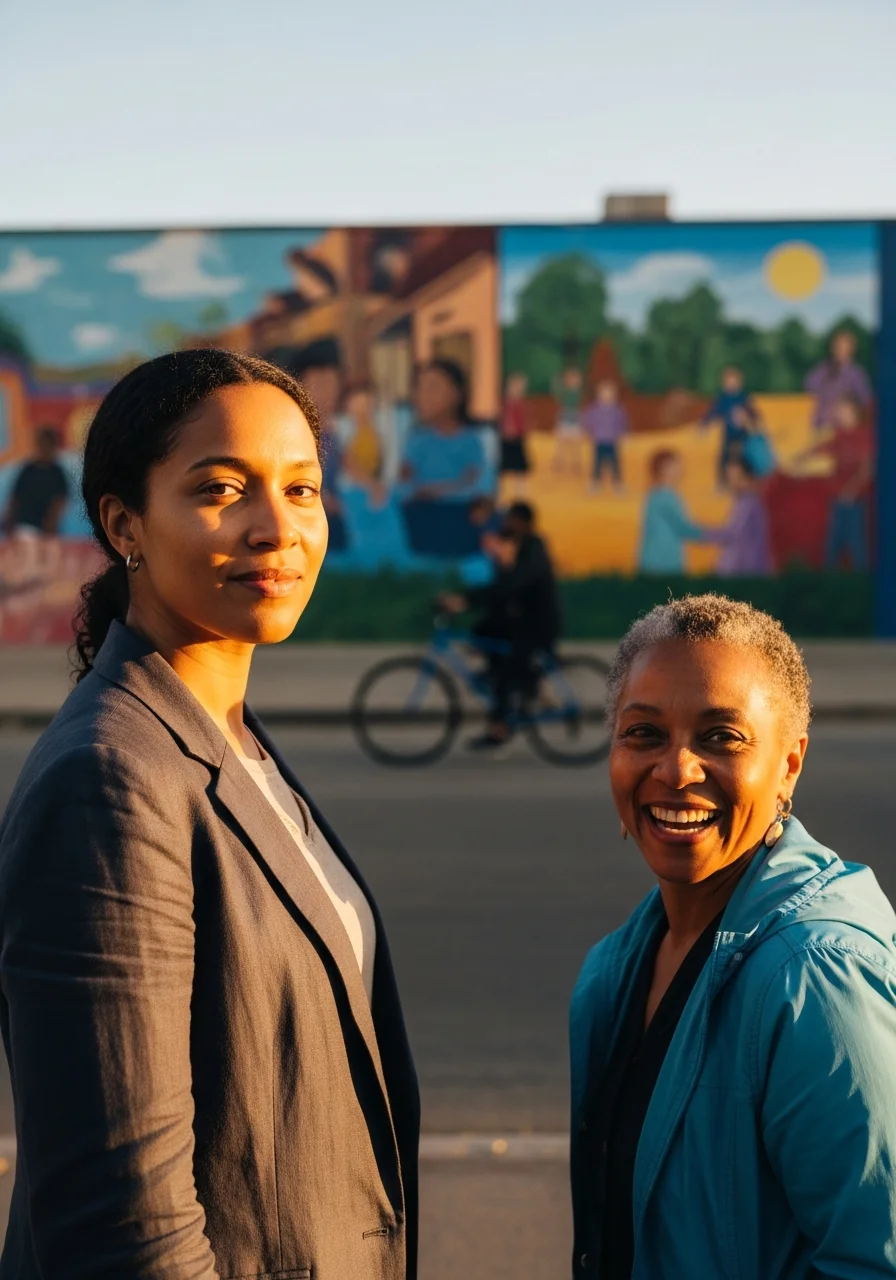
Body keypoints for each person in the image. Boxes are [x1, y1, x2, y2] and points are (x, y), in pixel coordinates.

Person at [0, 350, 419, 1279]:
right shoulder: (110, 780)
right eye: (223, 489)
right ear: (125, 524)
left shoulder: (229, 740)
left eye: (302, 488)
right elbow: (121, 1225)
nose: (278, 528)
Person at [570, 593, 896, 1279]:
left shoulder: (815, 978)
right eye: (644, 734)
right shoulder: (616, 970)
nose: (676, 770)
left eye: (722, 737)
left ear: (789, 765)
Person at [440, 502, 561, 751]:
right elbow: (500, 587)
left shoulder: (533, 548)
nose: (505, 524)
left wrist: (465, 600)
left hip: (538, 623)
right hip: (518, 620)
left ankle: (502, 725)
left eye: (510, 520)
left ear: (522, 522)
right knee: (483, 631)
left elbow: (511, 586)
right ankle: (517, 683)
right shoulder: (513, 546)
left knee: (507, 670)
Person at [399, 359, 487, 558]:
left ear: (457, 394)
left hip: (456, 511)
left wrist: (439, 491)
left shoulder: (470, 441)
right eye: (419, 389)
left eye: (433, 388)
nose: (423, 396)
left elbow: (473, 481)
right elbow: (404, 481)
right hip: (424, 511)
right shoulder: (417, 441)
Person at [796, 393, 873, 570]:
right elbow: (821, 448)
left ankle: (860, 586)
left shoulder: (864, 436)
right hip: (837, 498)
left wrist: (852, 490)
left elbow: (867, 468)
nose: (838, 413)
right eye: (838, 409)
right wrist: (801, 457)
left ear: (854, 412)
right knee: (832, 547)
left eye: (842, 409)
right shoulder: (839, 435)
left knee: (857, 546)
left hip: (856, 502)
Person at [638, 450, 706, 576]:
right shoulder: (664, 496)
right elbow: (684, 528)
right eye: (676, 464)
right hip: (663, 563)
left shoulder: (658, 494)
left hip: (658, 560)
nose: (680, 468)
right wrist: (717, 534)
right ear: (664, 468)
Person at [706, 455, 774, 575]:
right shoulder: (744, 500)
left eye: (737, 477)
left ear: (747, 477)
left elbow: (732, 533)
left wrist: (699, 532)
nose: (732, 482)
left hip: (747, 571)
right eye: (729, 478)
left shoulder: (748, 502)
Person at [1, 425, 69, 537]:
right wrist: (8, 521)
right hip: (23, 526)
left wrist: (51, 525)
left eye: (46, 444)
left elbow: (59, 502)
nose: (43, 448)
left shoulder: (57, 473)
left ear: (53, 446)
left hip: (45, 531)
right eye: (41, 444)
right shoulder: (28, 470)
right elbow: (15, 499)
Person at [805, 329, 872, 433]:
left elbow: (865, 401)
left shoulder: (857, 374)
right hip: (822, 427)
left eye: (845, 347)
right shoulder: (822, 370)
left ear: (852, 349)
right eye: (838, 346)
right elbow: (809, 387)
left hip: (845, 430)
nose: (841, 350)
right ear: (833, 348)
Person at [700, 367, 756, 487]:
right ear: (724, 384)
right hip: (729, 433)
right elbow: (714, 412)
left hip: (743, 433)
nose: (730, 385)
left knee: (745, 456)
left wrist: (751, 420)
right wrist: (705, 425)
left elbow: (753, 412)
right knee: (725, 456)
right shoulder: (722, 398)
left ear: (739, 383)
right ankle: (722, 482)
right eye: (728, 382)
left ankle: (750, 480)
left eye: (733, 382)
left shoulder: (743, 397)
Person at [583, 379, 628, 494]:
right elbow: (588, 421)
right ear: (598, 395)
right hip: (598, 441)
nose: (606, 396)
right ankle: (595, 483)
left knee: (615, 464)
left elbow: (622, 423)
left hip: (612, 442)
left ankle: (617, 484)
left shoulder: (618, 410)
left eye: (609, 394)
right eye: (603, 394)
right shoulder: (594, 409)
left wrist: (624, 435)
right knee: (597, 463)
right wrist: (587, 433)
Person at [498, 372, 530, 500]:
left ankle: (520, 491)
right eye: (515, 387)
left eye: (521, 388)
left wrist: (524, 430)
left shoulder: (523, 404)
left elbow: (526, 420)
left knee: (520, 467)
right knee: (502, 467)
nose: (518, 390)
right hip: (504, 439)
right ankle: (499, 491)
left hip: (518, 438)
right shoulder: (503, 403)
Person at [552, 364, 585, 477]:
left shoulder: (579, 392)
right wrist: (557, 380)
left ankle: (576, 462)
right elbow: (557, 391)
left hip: (574, 417)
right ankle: (559, 460)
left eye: (576, 379)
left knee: (576, 442)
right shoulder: (564, 392)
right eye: (571, 379)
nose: (573, 381)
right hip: (565, 416)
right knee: (561, 441)